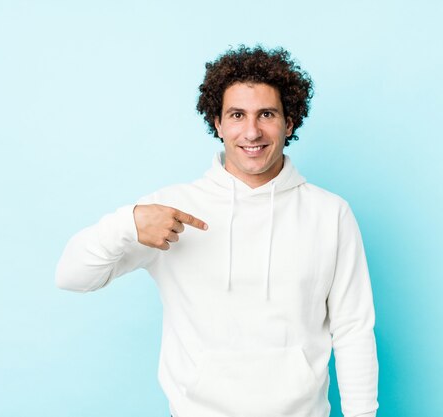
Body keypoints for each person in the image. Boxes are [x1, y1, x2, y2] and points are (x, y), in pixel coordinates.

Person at [55, 45, 379, 417]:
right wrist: (126, 224)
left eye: (267, 114)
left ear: (289, 123)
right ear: (218, 123)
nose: (252, 131)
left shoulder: (330, 214)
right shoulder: (172, 210)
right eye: (237, 115)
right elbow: (71, 276)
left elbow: (354, 330)